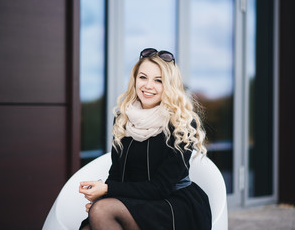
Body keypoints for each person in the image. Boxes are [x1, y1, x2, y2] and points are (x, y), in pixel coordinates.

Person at [78, 48, 212, 230]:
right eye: (143, 77)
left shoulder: (181, 124)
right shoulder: (123, 118)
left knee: (101, 211)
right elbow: (118, 173)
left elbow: (161, 187)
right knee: (91, 223)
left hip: (173, 205)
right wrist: (102, 197)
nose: (148, 86)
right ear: (134, 80)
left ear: (170, 86)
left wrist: (108, 191)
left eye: (159, 80)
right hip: (136, 201)